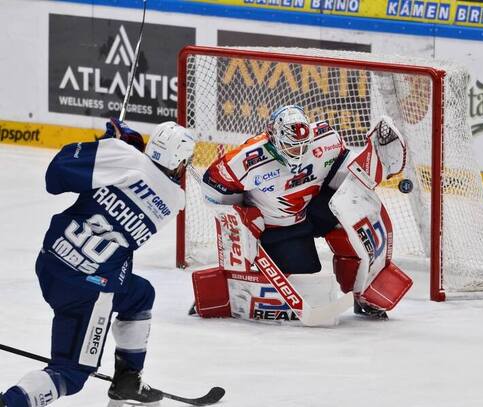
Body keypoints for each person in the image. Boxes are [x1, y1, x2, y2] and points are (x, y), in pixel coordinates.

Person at [0, 118, 196, 407]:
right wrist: (117, 148)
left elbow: (55, 177)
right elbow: (143, 176)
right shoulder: (175, 199)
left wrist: (102, 146)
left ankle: (128, 380)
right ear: (178, 162)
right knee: (71, 374)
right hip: (88, 290)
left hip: (52, 262)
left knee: (140, 294)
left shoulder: (121, 155)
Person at [200, 105, 406, 320]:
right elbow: (212, 187)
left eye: (302, 146)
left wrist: (370, 167)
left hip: (311, 208)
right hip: (276, 228)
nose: (298, 153)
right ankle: (236, 291)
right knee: (306, 281)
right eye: (291, 147)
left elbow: (343, 178)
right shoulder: (245, 160)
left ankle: (363, 291)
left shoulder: (326, 139)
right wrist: (241, 216)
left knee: (353, 207)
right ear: (274, 139)